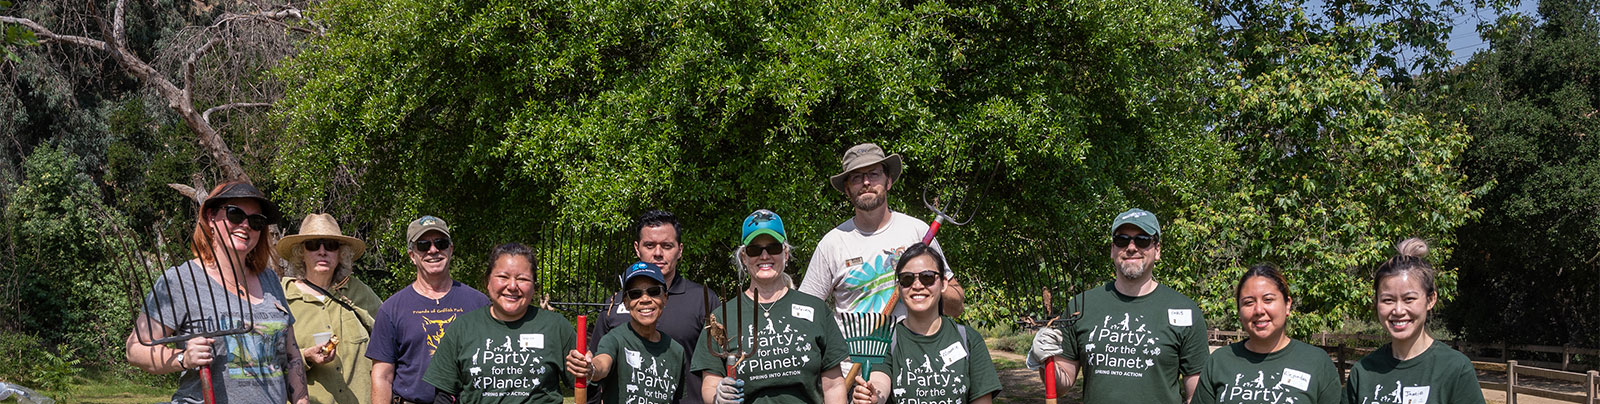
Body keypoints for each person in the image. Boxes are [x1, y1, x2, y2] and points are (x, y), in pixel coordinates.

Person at [124, 181, 310, 404]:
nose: (245, 225)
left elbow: (291, 357)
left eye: (256, 221)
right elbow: (135, 349)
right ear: (211, 217)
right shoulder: (182, 281)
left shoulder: (269, 280)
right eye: (235, 214)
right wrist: (183, 358)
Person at [1027, 208, 1208, 404]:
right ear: (1113, 250)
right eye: (1122, 240)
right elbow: (1062, 385)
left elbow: (1196, 395)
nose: (1131, 247)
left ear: (1157, 250)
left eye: (1142, 239)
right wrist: (1045, 361)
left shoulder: (1186, 311)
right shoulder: (1081, 306)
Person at [692, 209, 850, 404]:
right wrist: (718, 395)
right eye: (755, 249)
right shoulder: (722, 318)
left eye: (773, 248)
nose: (764, 255)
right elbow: (709, 384)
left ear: (785, 253)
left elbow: (834, 386)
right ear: (744, 257)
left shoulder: (816, 309)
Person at [800, 143, 964, 319]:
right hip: (854, 346)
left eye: (874, 174)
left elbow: (956, 308)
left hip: (913, 346)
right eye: (856, 177)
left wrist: (927, 280)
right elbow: (804, 311)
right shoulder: (832, 244)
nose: (866, 182)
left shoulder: (917, 232)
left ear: (889, 181)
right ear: (847, 190)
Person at [587, 210, 720, 404]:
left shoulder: (703, 300)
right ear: (637, 248)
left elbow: (716, 366)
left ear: (680, 250)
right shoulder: (615, 304)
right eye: (649, 245)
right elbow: (597, 367)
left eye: (667, 246)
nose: (658, 253)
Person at [423, 243, 576, 403]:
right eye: (503, 277)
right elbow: (444, 396)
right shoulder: (462, 329)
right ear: (487, 281)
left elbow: (587, 385)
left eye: (522, 279)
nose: (512, 286)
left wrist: (591, 368)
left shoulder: (556, 327)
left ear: (534, 287)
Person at [851, 243, 1001, 404]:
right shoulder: (884, 339)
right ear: (899, 288)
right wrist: (873, 397)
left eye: (927, 277)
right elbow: (880, 382)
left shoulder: (968, 339)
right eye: (907, 279)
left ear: (943, 283)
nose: (917, 285)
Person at [1343, 239, 1484, 404]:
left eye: (1409, 299)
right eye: (1388, 300)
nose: (1398, 310)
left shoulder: (1455, 369)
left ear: (1430, 300)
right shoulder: (1363, 372)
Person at [368, 216, 490, 404]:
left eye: (440, 243)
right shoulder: (391, 309)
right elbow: (382, 376)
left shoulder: (478, 303)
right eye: (423, 245)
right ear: (412, 255)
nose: (433, 250)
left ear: (451, 249)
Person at [1194, 263, 1340, 404]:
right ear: (1239, 311)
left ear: (1287, 304)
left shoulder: (1317, 362)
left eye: (1268, 300)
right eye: (1248, 302)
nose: (1259, 310)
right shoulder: (1219, 361)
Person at [278, 213, 384, 404]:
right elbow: (266, 363)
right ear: (301, 253)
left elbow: (389, 340)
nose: (322, 251)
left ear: (340, 253)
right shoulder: (282, 300)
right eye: (313, 245)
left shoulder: (359, 293)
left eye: (330, 245)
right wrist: (304, 357)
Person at [566, 262, 686, 404]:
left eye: (653, 291)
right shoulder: (614, 339)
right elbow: (602, 364)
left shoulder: (677, 351)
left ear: (665, 298)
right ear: (626, 303)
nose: (645, 299)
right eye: (635, 294)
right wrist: (590, 368)